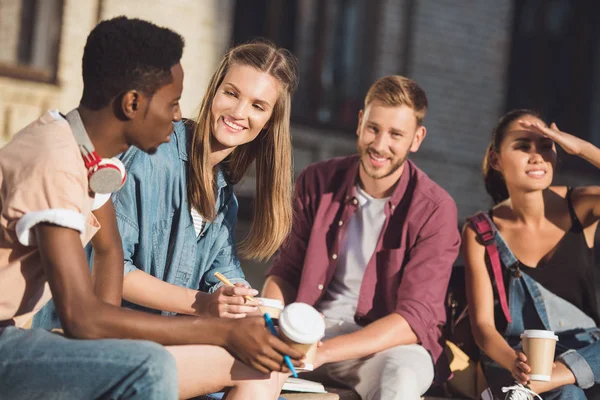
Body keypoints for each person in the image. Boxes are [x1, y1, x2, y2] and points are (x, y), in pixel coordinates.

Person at [1, 17, 302, 400]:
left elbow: (110, 254)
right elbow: (83, 313)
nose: (179, 115)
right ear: (133, 104)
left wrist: (235, 300)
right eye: (173, 103)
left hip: (65, 338)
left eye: (258, 105)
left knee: (262, 367)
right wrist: (215, 321)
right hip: (21, 339)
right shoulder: (65, 160)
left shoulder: (95, 161)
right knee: (158, 365)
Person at [263, 75, 461, 400]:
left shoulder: (435, 209)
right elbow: (285, 271)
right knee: (237, 357)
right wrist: (269, 323)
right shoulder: (318, 180)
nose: (380, 145)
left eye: (396, 134)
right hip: (310, 333)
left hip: (385, 347)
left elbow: (413, 320)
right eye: (374, 128)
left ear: (416, 138)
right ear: (360, 122)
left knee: (401, 379)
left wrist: (324, 351)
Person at [109, 40, 298, 319]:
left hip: (163, 338)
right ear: (214, 92)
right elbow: (109, 270)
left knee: (269, 350)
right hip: (106, 334)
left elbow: (223, 274)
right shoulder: (152, 156)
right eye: (232, 94)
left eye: (258, 106)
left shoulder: (224, 196)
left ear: (269, 121)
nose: (239, 113)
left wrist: (242, 300)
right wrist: (204, 303)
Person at [462, 109, 600, 399]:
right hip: (519, 360)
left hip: (589, 352)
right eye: (523, 147)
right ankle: (541, 383)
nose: (536, 156)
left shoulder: (581, 205)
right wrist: (514, 363)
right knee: (568, 395)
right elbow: (483, 326)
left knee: (568, 387)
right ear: (496, 159)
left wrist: (583, 149)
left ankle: (547, 380)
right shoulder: (480, 232)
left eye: (546, 146)